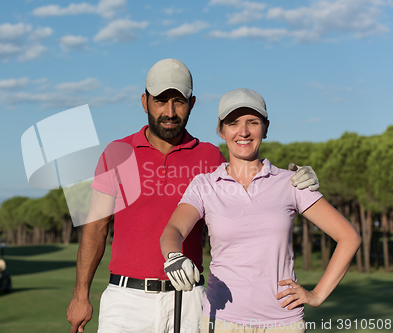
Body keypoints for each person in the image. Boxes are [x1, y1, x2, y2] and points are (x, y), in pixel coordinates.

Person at [66, 60, 320, 333]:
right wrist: (81, 295)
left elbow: (252, 190)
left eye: (179, 101)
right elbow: (95, 228)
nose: (170, 111)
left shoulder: (210, 156)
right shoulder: (117, 153)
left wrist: (293, 178)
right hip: (127, 299)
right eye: (161, 101)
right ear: (144, 101)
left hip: (189, 300)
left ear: (193, 103)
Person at [160, 88, 362, 333]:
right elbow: (174, 229)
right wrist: (173, 255)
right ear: (221, 131)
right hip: (222, 321)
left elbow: (349, 237)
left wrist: (317, 295)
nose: (243, 132)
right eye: (233, 123)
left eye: (252, 122)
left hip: (283, 323)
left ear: (265, 128)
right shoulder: (204, 185)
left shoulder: (292, 182)